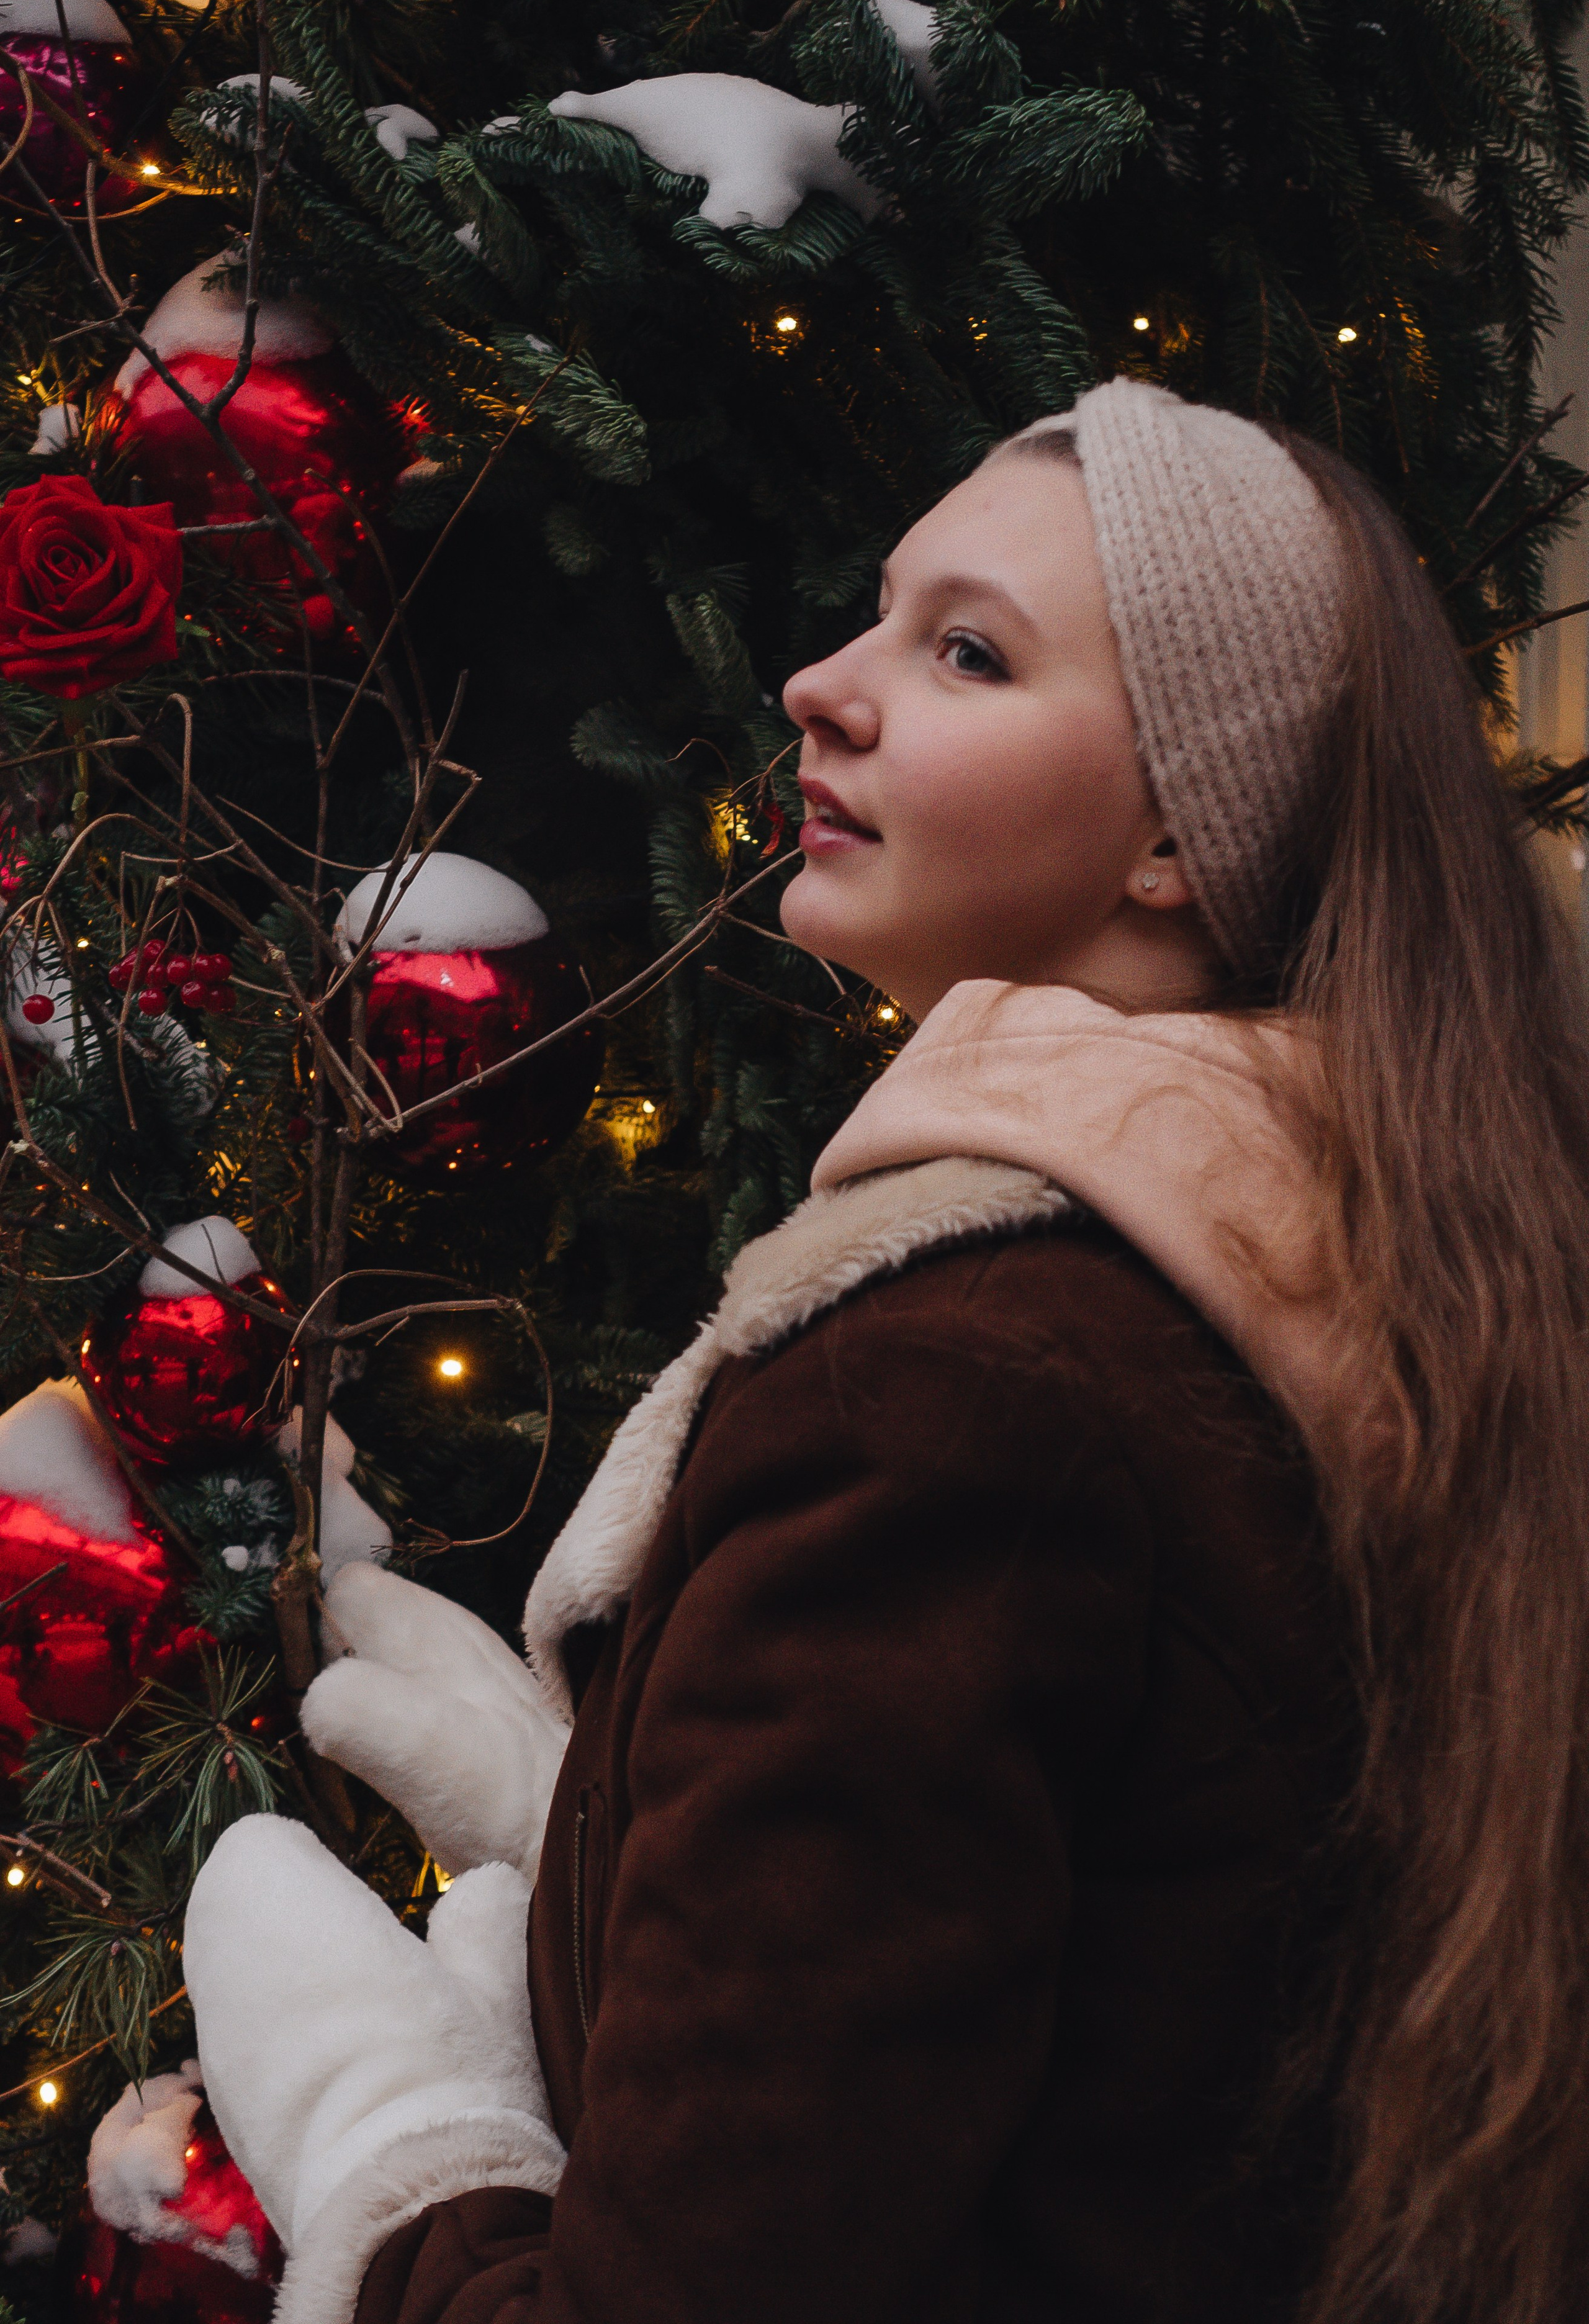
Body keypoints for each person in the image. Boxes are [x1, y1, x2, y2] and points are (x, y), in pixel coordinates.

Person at [181, 378, 1589, 2324]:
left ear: (1177, 830)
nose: (822, 687)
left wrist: (391, 2144)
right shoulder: (1348, 1286)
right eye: (879, 609)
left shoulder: (958, 1399)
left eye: (970, 653)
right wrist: (607, 1815)